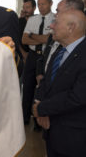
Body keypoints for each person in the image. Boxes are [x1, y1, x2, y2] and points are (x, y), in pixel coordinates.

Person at [33, 9, 86, 156]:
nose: (51, 26)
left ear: (71, 27)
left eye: (56, 22)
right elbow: (45, 82)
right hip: (53, 132)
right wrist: (39, 106)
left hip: (75, 139)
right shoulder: (60, 51)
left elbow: (78, 96)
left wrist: (42, 108)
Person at [21, 0, 54, 128]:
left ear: (50, 3)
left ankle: (38, 122)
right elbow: (24, 40)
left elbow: (49, 40)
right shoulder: (32, 20)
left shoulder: (55, 19)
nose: (40, 7)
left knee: (42, 89)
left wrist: (33, 35)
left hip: (47, 56)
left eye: (43, 4)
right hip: (33, 55)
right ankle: (24, 118)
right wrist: (41, 37)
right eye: (39, 4)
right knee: (27, 87)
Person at [35, 0, 85, 85]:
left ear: (71, 11)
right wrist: (40, 74)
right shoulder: (55, 35)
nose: (55, 14)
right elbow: (45, 55)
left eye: (58, 11)